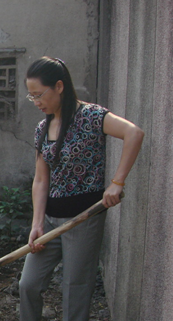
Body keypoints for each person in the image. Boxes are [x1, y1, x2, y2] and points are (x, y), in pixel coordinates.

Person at [18, 57, 144, 321]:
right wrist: (37, 223)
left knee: (75, 290)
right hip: (51, 220)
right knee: (28, 284)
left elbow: (134, 133)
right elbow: (41, 180)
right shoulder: (42, 128)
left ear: (59, 86)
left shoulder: (92, 117)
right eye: (31, 97)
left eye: (39, 94)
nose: (37, 102)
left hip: (83, 219)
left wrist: (117, 182)